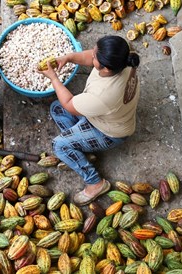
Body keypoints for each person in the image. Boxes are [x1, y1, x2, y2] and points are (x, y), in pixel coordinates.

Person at [39, 35, 140, 206]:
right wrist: (68, 58)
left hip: (109, 132)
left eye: (95, 57)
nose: (91, 56)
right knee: (56, 108)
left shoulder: (103, 95)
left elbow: (69, 104)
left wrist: (54, 78)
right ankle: (81, 148)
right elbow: (89, 56)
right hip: (106, 115)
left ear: (105, 68)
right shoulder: (123, 57)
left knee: (59, 145)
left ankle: (95, 183)